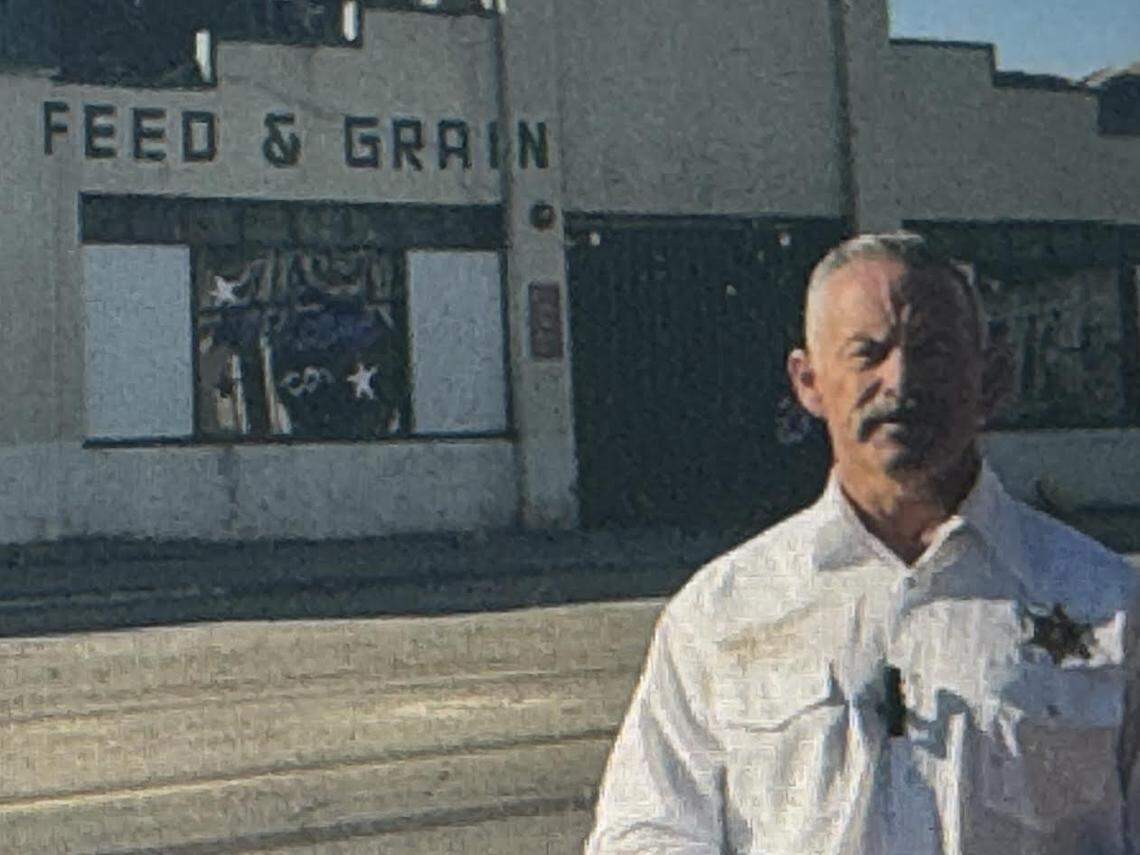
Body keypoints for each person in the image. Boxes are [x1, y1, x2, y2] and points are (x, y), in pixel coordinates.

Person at [584, 232, 1140, 854]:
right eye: (867, 353)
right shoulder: (723, 612)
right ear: (809, 381)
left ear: (991, 378)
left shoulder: (1107, 604)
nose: (899, 382)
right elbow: (648, 831)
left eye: (932, 352)